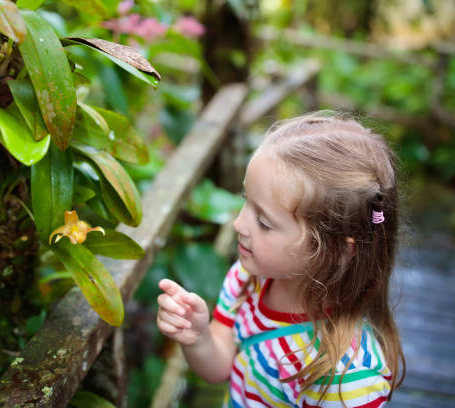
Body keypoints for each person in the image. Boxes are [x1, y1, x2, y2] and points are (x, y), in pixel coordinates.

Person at [156, 111, 405, 408]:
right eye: (246, 200)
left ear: (336, 250)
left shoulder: (347, 377)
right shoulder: (245, 279)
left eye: (263, 221)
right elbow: (221, 365)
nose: (238, 224)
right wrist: (197, 339)